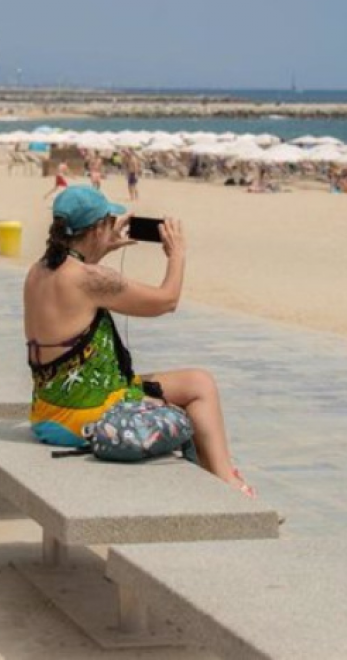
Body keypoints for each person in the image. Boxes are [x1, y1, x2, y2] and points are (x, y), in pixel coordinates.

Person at [23, 186, 253, 496]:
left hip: (48, 412)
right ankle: (229, 483)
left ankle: (222, 482)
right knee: (200, 391)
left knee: (198, 382)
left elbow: (77, 282)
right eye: (109, 222)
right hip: (83, 417)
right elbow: (166, 300)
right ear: (97, 229)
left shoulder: (39, 270)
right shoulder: (90, 279)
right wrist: (177, 254)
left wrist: (101, 249)